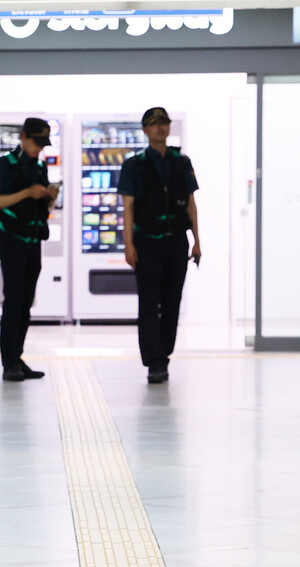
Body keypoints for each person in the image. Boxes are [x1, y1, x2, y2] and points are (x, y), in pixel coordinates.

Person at [119, 106, 200, 384]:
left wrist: (197, 240)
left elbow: (191, 203)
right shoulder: (134, 165)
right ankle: (153, 361)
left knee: (172, 302)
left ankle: (164, 355)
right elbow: (128, 206)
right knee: (149, 303)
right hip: (147, 242)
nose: (160, 128)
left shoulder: (181, 161)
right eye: (154, 124)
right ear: (145, 130)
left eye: (163, 123)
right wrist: (128, 243)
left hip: (176, 241)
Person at [0, 118, 59, 382]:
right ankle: (9, 363)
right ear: (24, 137)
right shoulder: (4, 165)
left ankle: (18, 357)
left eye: (43, 144)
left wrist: (50, 198)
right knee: (14, 300)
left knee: (26, 302)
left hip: (33, 241)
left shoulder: (39, 167)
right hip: (12, 241)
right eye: (36, 142)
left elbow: (44, 209)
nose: (39, 148)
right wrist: (27, 193)